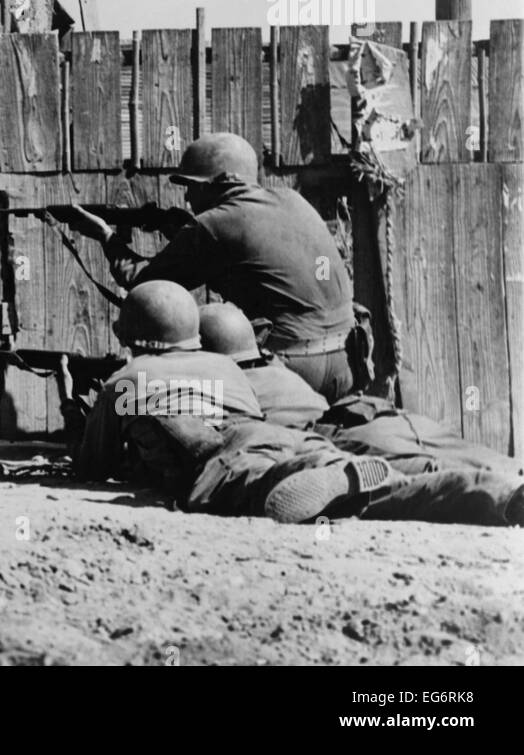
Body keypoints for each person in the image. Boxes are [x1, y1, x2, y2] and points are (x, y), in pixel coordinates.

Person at [76, 282, 524, 526]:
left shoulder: (126, 381)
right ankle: (495, 493)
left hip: (224, 456)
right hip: (277, 434)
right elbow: (243, 416)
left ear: (130, 335)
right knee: (379, 477)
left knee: (263, 479)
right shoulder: (224, 365)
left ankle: (335, 476)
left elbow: (93, 464)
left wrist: (80, 413)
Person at [65, 132, 361, 402]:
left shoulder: (215, 224)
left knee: (146, 400)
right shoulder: (292, 199)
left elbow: (141, 281)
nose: (187, 197)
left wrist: (105, 237)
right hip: (348, 362)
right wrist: (181, 231)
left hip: (283, 370)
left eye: (193, 186)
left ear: (225, 181)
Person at [198, 302, 523, 480]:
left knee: (438, 473)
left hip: (343, 437)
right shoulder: (273, 364)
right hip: (371, 413)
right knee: (479, 456)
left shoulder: (224, 385)